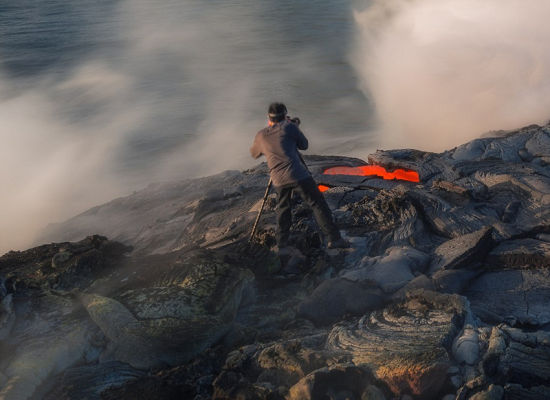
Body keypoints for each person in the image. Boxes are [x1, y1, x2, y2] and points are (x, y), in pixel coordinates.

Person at [250, 102, 349, 249]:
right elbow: (304, 145)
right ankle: (334, 239)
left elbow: (254, 153)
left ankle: (282, 244)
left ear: (268, 118)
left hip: (278, 179)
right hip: (298, 175)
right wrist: (294, 127)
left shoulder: (261, 135)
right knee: (317, 203)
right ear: (285, 115)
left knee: (283, 209)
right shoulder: (289, 127)